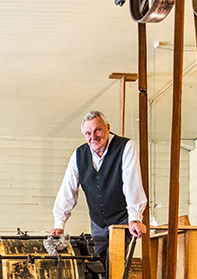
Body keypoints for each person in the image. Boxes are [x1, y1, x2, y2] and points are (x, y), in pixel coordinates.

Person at [50, 110, 148, 265]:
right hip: (98, 222)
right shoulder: (78, 155)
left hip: (121, 219)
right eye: (88, 133)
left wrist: (134, 218)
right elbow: (67, 190)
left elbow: (132, 184)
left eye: (98, 130)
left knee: (115, 263)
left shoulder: (126, 147)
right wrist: (59, 224)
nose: (93, 137)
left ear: (108, 128)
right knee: (98, 264)